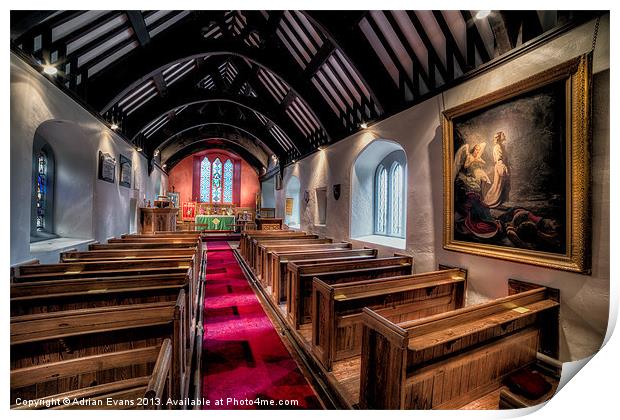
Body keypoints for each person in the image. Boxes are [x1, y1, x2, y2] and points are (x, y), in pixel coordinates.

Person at [484, 131, 510, 208]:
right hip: (500, 165)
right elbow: (499, 159)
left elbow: (505, 157)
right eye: (503, 134)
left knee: (502, 184)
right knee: (498, 185)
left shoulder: (502, 146)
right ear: (499, 137)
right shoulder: (497, 147)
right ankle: (490, 200)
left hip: (503, 165)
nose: (504, 135)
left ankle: (500, 201)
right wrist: (504, 167)